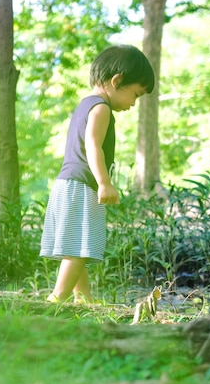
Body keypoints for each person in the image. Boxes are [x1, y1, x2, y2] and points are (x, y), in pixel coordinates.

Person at [40, 45, 155, 304]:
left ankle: (84, 297)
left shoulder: (86, 105)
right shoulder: (101, 108)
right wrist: (104, 183)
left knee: (78, 244)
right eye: (135, 95)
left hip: (68, 183)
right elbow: (93, 145)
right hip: (82, 184)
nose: (133, 104)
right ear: (117, 81)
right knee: (80, 247)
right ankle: (57, 298)